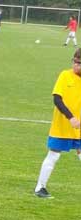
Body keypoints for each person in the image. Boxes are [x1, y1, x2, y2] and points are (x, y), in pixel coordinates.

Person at [35, 49, 81, 198]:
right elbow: (57, 99)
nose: (76, 65)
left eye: (79, 63)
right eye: (74, 62)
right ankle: (40, 187)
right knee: (54, 154)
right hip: (62, 125)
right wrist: (70, 117)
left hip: (79, 127)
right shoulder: (65, 75)